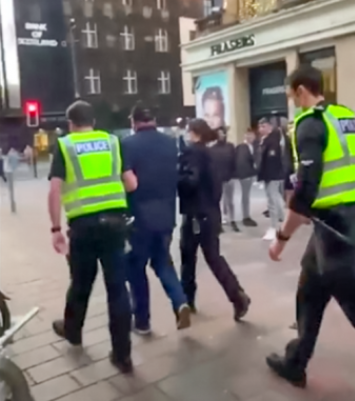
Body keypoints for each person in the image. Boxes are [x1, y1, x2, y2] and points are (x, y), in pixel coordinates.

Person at [267, 65, 355, 387]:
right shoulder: (347, 119)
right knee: (309, 291)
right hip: (343, 223)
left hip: (334, 233)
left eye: (291, 94)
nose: (292, 101)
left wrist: (281, 238)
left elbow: (305, 193)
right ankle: (296, 361)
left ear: (301, 90)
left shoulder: (310, 124)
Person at [48, 100, 137, 373]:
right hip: (114, 224)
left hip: (83, 228)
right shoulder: (113, 142)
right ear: (94, 122)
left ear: (71, 124)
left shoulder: (65, 145)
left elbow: (54, 191)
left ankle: (73, 331)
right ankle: (122, 355)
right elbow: (131, 183)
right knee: (117, 289)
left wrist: (55, 230)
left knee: (80, 283)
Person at [123, 104, 191, 336]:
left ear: (134, 122)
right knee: (162, 261)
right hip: (166, 215)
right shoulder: (170, 143)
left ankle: (142, 321)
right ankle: (180, 301)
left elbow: (128, 181)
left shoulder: (128, 145)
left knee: (136, 267)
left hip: (139, 217)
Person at [178, 118, 251, 318]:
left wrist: (177, 179)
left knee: (188, 257)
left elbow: (190, 180)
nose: (186, 135)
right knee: (213, 257)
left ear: (195, 133)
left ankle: (187, 300)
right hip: (210, 212)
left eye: (188, 131)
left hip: (195, 214)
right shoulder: (210, 153)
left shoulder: (192, 152)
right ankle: (237, 295)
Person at [257, 118, 286, 240]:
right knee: (277, 198)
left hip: (272, 175)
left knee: (272, 201)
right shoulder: (267, 140)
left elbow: (271, 161)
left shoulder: (272, 141)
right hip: (272, 175)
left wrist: (265, 177)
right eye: (260, 127)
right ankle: (283, 222)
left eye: (263, 126)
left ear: (269, 127)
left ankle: (274, 228)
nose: (260, 129)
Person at [211, 127, 239, 232]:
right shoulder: (212, 149)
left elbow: (234, 161)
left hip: (229, 177)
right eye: (219, 134)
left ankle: (232, 220)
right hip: (217, 179)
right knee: (218, 201)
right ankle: (220, 221)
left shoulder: (230, 147)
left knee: (230, 200)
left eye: (222, 133)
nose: (221, 135)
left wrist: (234, 174)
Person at [235, 128, 257, 226]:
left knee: (246, 195)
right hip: (246, 175)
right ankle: (245, 216)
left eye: (252, 135)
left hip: (250, 174)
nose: (250, 137)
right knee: (245, 196)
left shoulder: (252, 146)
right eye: (248, 135)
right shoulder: (242, 147)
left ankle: (246, 215)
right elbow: (241, 163)